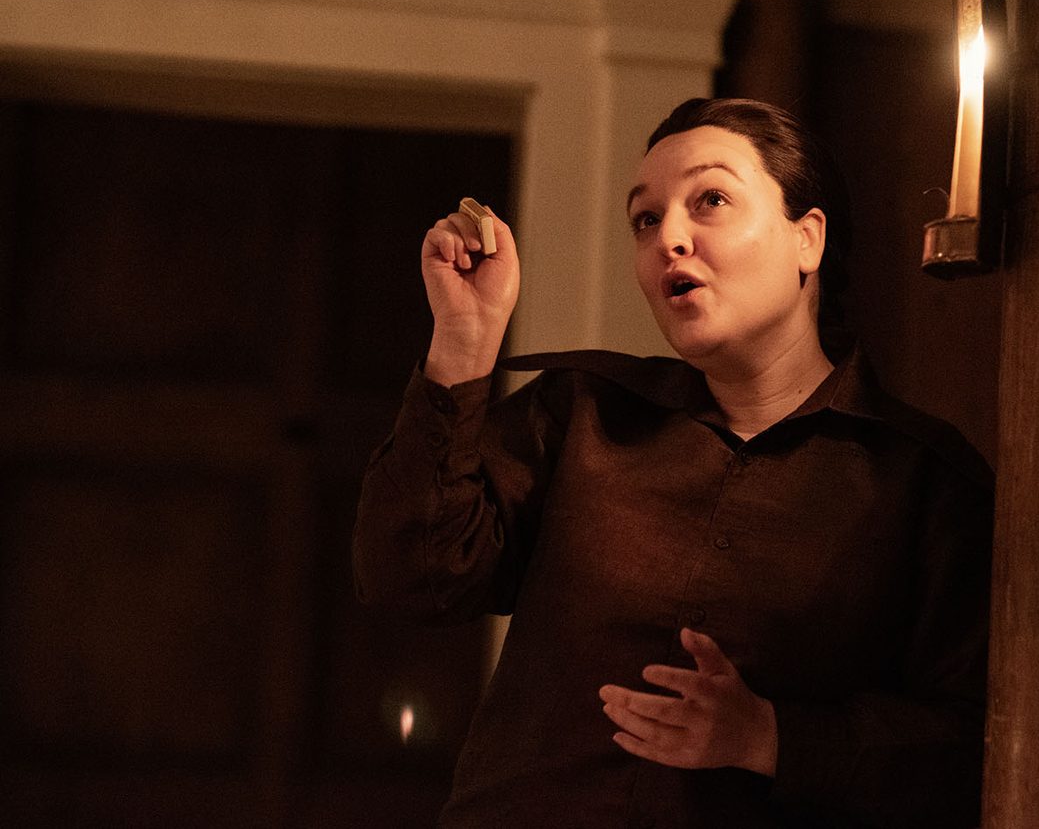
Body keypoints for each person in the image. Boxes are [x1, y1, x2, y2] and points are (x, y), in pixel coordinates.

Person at [352, 97, 993, 828]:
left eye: (710, 200)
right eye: (645, 219)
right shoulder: (580, 413)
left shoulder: (925, 481)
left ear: (807, 238)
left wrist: (771, 737)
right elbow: (407, 578)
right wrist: (464, 341)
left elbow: (972, 750)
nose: (669, 239)